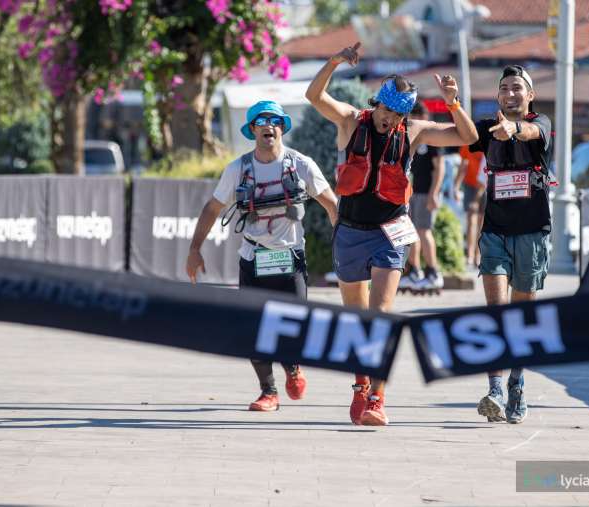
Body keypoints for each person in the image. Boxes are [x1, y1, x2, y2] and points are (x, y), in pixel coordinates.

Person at [305, 42, 478, 426]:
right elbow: (313, 95)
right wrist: (333, 61)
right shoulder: (351, 121)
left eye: (399, 114)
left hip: (389, 233)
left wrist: (453, 102)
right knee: (357, 320)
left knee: (380, 316)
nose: (391, 120)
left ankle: (378, 399)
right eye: (388, 111)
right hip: (350, 231)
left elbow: (465, 137)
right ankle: (360, 385)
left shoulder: (413, 131)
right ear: (376, 104)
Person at [186, 100, 338, 412]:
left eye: (274, 120)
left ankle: (293, 368)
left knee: (295, 326)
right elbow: (213, 208)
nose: (268, 125)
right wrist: (194, 249)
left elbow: (332, 204)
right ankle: (268, 391)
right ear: (253, 129)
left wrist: (346, 246)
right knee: (253, 328)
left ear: (281, 127)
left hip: (290, 260)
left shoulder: (301, 164)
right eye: (260, 120)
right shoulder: (239, 169)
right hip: (253, 259)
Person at [469, 65, 554, 425]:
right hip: (494, 232)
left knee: (520, 318)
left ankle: (517, 383)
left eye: (517, 88)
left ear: (529, 94)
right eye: (504, 88)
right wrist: (453, 103)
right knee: (495, 314)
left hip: (532, 232)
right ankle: (495, 389)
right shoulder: (487, 125)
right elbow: (456, 132)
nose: (511, 93)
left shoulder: (541, 123)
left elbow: (535, 131)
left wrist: (515, 129)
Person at [400, 101, 445, 295]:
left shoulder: (432, 138)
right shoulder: (415, 139)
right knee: (412, 232)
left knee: (424, 231)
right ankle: (415, 270)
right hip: (415, 192)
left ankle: (433, 272)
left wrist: (434, 193)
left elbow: (439, 168)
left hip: (427, 192)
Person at [454, 144, 486, 267]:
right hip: (470, 185)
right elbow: (463, 166)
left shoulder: (486, 143)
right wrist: (456, 186)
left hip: (485, 184)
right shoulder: (468, 143)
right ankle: (470, 255)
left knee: (482, 222)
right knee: (471, 220)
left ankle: (478, 255)